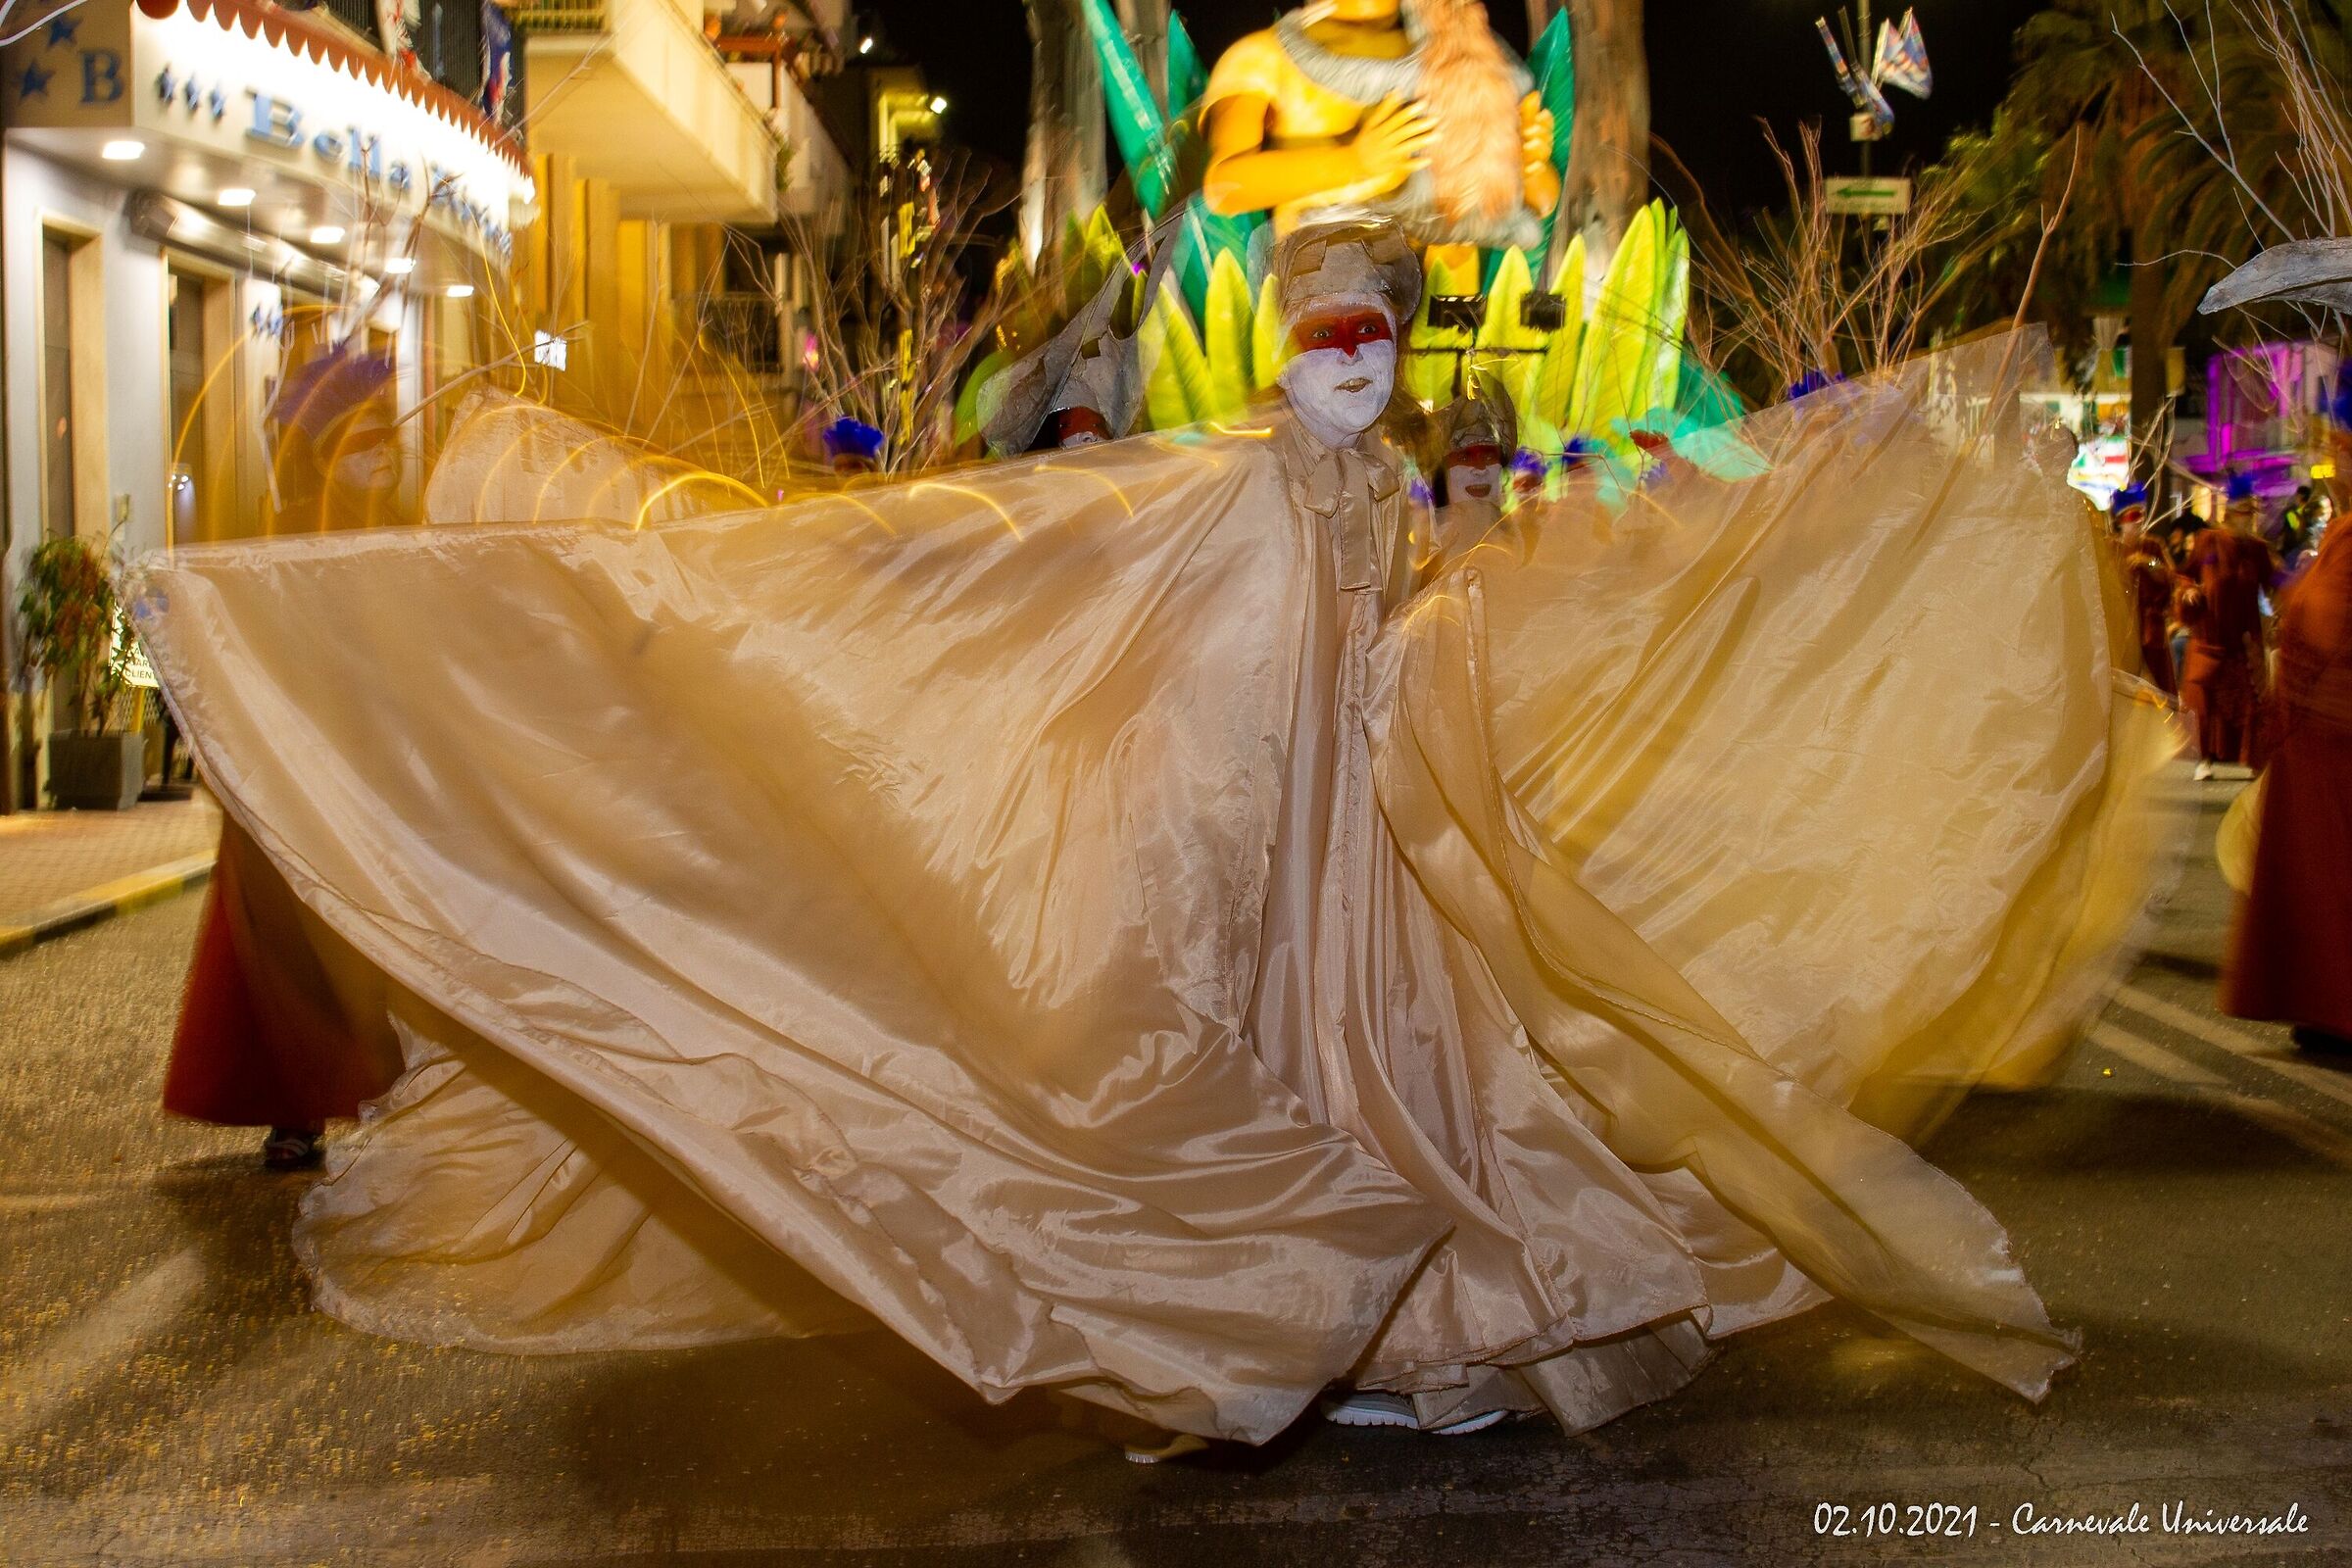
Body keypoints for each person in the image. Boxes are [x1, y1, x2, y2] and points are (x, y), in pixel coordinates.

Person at [131, 220, 2178, 1454]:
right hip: (1275, 883)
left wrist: (1851, 455)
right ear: (1301, 345)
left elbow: (1594, 546)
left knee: (1418, 1114)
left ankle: (1405, 1321)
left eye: (1369, 332)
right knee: (1279, 1114)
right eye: (1330, 331)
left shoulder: (1365, 498)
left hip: (1363, 886)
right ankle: (1352, 1312)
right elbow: (996, 576)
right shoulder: (1237, 480)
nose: (1351, 359)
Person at [2223, 515, 2352, 1050]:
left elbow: (2325, 627)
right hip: (2317, 738)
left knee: (2325, 874)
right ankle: (2319, 1004)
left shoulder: (2343, 545)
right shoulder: (2340, 539)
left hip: (2328, 738)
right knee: (2316, 875)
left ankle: (2329, 1004)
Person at [2175, 498, 2279, 779]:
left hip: (2243, 639)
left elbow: (2274, 582)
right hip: (2210, 635)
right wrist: (2189, 592)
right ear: (2231, 516)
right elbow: (2185, 574)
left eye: (2251, 514)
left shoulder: (2257, 550)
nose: (2248, 520)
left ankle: (2253, 759)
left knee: (2250, 699)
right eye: (2243, 514)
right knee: (2203, 701)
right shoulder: (2208, 541)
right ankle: (2204, 759)